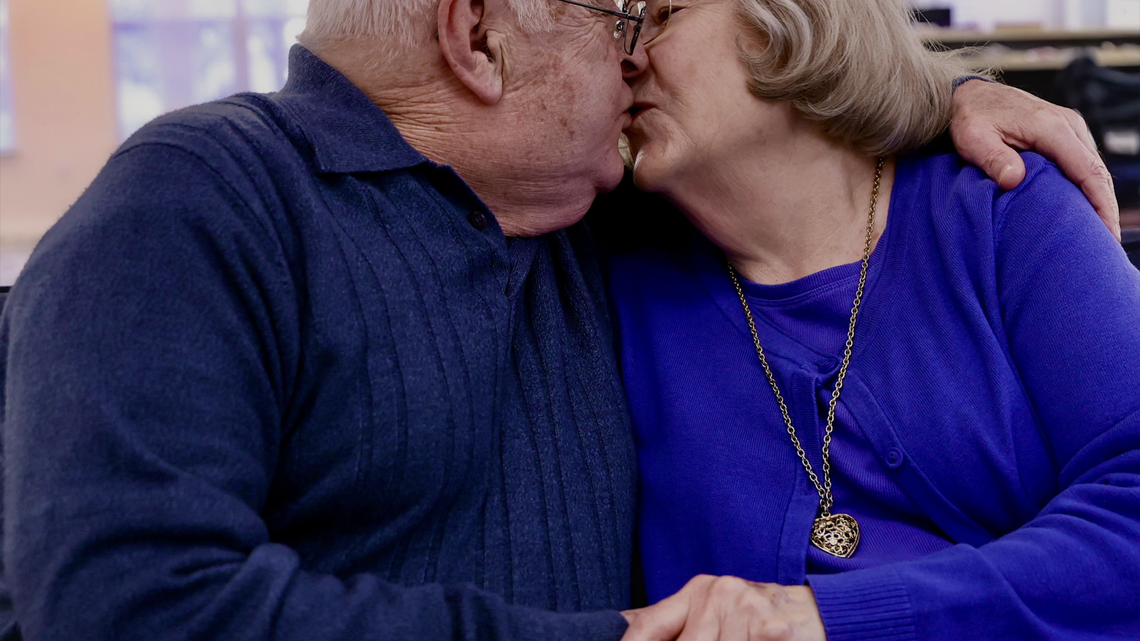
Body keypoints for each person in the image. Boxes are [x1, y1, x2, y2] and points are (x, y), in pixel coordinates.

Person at [0, 0, 1122, 639]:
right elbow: (122, 599)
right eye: (614, 16)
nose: (631, 53)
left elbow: (803, 156)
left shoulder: (600, 220)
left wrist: (946, 94)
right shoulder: (205, 198)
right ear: (478, 38)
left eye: (653, 16)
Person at [608, 0, 1139, 639]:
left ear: (789, 21)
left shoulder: (1001, 208)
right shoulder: (609, 269)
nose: (627, 55)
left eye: (664, 14)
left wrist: (835, 618)